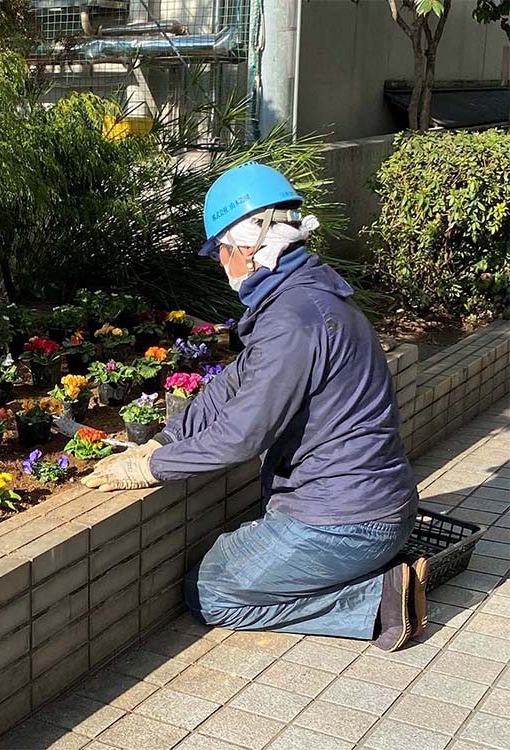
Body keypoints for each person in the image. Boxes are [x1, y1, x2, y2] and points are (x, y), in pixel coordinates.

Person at [82, 162, 428, 651]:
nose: (221, 263)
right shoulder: (310, 296)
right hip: (370, 508)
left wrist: (150, 468)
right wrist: (165, 439)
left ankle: (377, 600)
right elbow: (230, 386)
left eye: (220, 251)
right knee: (234, 561)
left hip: (343, 523)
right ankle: (372, 574)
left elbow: (241, 436)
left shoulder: (292, 320)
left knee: (210, 591)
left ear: (248, 246)